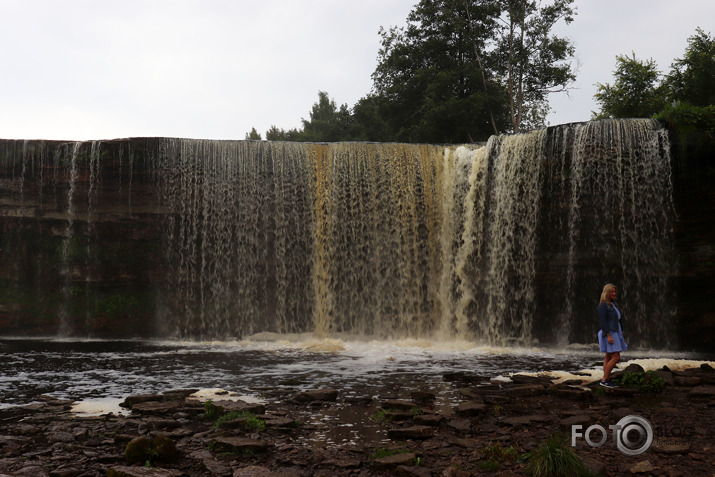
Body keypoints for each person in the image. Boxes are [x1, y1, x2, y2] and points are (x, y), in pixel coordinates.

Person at [597, 283, 627, 388]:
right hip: (610, 332)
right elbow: (603, 321)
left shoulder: (612, 304)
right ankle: (604, 379)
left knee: (608, 356)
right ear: (607, 293)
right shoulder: (604, 305)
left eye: (614, 291)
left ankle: (606, 379)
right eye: (612, 292)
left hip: (615, 332)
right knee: (616, 357)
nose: (614, 293)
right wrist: (608, 335)